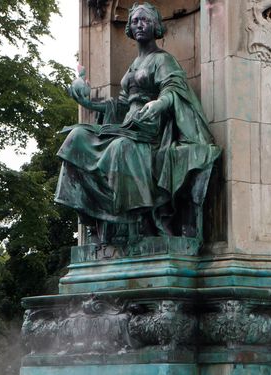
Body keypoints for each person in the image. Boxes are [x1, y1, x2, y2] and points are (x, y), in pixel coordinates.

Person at [54, 2, 221, 245]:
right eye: (134, 21)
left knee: (120, 148)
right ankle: (90, 217)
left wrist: (159, 104)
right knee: (76, 138)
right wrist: (89, 104)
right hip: (127, 126)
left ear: (156, 26)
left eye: (144, 20)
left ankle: (129, 221)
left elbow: (174, 89)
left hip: (149, 129)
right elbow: (120, 105)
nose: (138, 25)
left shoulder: (163, 60)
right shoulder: (133, 64)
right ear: (129, 28)